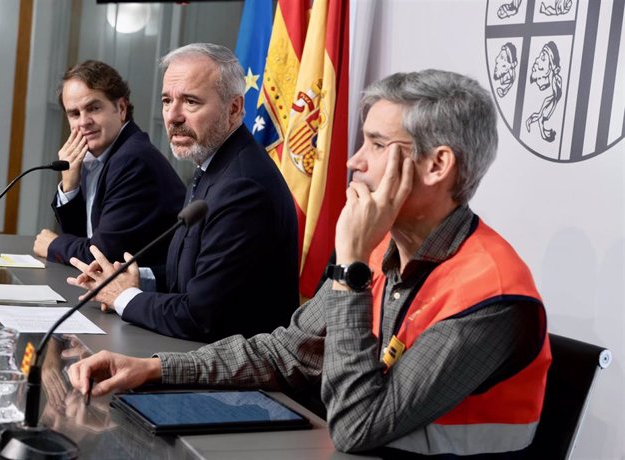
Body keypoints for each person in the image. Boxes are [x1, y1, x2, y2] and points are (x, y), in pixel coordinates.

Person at [68, 69, 551, 458]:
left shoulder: (494, 294)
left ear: (437, 165)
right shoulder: (385, 247)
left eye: (378, 146)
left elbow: (360, 427)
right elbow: (286, 352)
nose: (353, 162)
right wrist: (153, 368)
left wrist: (351, 271)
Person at [67, 44, 299, 342]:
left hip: (237, 375)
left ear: (235, 109)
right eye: (167, 101)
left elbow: (202, 315)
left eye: (190, 102)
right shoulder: (215, 163)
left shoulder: (244, 186)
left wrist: (123, 297)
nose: (173, 116)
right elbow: (193, 274)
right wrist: (135, 279)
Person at [33, 60, 185, 266]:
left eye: (93, 108)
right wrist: (70, 185)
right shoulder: (95, 155)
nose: (83, 122)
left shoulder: (133, 160)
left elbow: (101, 256)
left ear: (121, 108)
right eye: (74, 114)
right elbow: (81, 240)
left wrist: (53, 245)